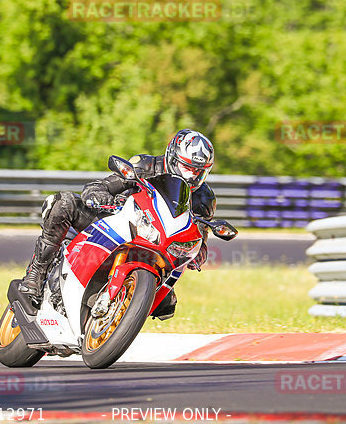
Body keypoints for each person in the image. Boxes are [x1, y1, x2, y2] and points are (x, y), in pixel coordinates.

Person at [19, 129, 216, 318]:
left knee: (166, 304)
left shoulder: (204, 199)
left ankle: (128, 306)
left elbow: (200, 236)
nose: (191, 176)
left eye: (198, 172)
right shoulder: (146, 166)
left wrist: (199, 253)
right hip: (116, 220)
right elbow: (99, 186)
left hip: (158, 244)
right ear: (173, 158)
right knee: (63, 203)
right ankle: (36, 272)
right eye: (187, 168)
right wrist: (103, 198)